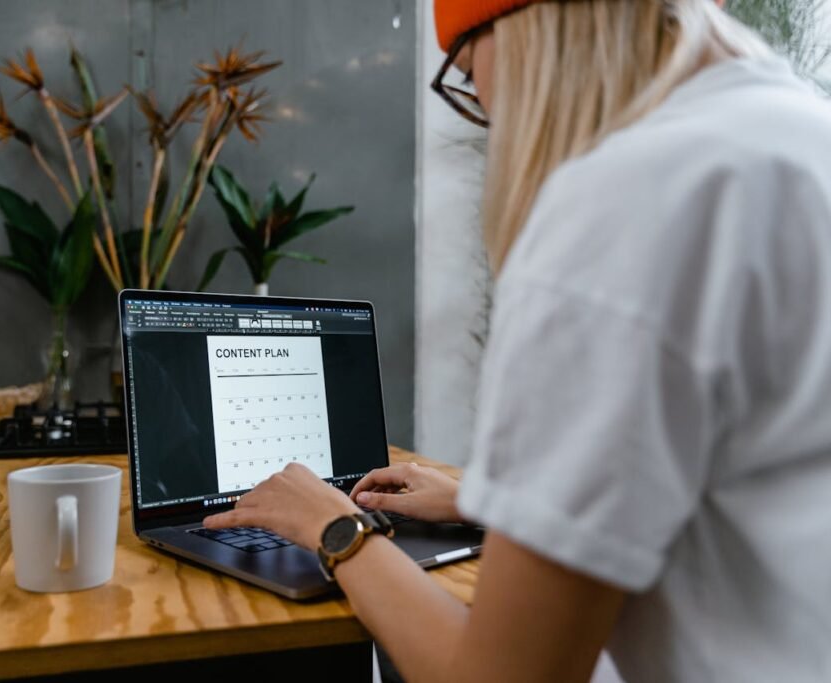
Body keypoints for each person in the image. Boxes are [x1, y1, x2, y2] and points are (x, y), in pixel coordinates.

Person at [205, 0, 831, 680]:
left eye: (469, 74)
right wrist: (489, 499)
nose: (491, 115)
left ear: (522, 33)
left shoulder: (624, 203)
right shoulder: (797, 133)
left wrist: (338, 530)